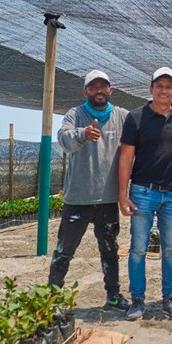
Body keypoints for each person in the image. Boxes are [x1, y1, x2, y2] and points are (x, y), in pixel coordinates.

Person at [118, 67, 172, 321]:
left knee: (171, 248)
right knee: (138, 248)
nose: (164, 90)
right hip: (143, 192)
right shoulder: (136, 118)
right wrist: (122, 193)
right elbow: (126, 156)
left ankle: (169, 300)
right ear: (151, 89)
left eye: (169, 87)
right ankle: (137, 300)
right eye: (159, 86)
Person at [48, 70, 130, 311]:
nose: (99, 91)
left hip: (107, 199)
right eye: (93, 87)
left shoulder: (122, 116)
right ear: (85, 91)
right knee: (64, 251)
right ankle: (51, 300)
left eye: (103, 86)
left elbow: (146, 125)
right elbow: (64, 139)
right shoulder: (75, 114)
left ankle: (113, 296)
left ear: (110, 90)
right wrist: (82, 134)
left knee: (110, 250)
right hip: (78, 199)